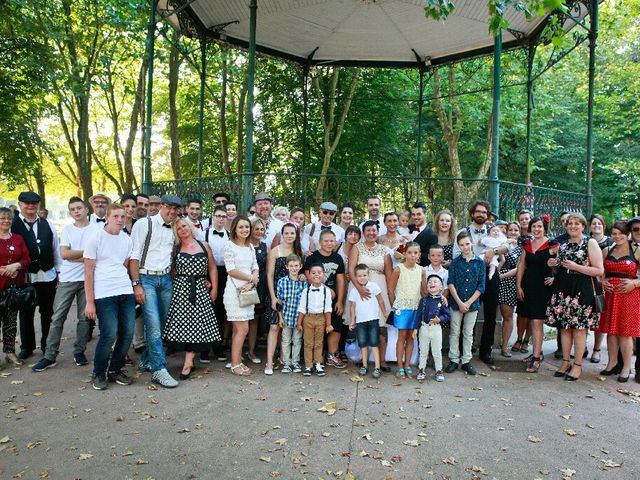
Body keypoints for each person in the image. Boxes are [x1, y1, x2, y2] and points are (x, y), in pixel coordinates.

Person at [32, 197, 94, 372]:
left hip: (87, 280)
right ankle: (49, 355)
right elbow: (65, 254)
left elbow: (97, 255)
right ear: (70, 213)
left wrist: (80, 256)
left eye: (79, 208)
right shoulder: (67, 230)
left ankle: (79, 351)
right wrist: (87, 255)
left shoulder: (96, 229)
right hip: (67, 279)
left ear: (86, 210)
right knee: (57, 317)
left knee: (84, 319)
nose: (77, 211)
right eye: (73, 209)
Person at [129, 194, 183, 388]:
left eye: (176, 209)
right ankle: (159, 369)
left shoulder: (175, 227)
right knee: (153, 325)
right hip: (146, 278)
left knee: (166, 323)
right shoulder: (144, 224)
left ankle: (146, 359)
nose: (172, 212)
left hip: (166, 279)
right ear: (161, 206)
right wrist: (137, 284)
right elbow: (134, 256)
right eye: (169, 207)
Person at [546, 213, 604, 381]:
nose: (572, 226)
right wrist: (554, 265)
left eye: (576, 224)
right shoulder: (563, 245)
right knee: (564, 328)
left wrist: (577, 267)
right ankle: (565, 362)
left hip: (582, 289)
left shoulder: (590, 243)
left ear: (583, 226)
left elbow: (599, 270)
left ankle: (577, 365)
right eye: (570, 223)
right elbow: (561, 267)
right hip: (563, 288)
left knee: (579, 330)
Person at [84, 203, 135, 391]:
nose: (120, 220)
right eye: (116, 216)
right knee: (109, 333)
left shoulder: (126, 239)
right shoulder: (95, 237)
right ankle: (99, 372)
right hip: (104, 294)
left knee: (127, 333)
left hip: (125, 291)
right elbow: (88, 272)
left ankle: (116, 368)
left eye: (123, 217)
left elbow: (125, 264)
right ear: (107, 217)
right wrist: (90, 302)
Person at [453, 200, 510, 365]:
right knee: (466, 310)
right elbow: (456, 255)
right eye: (478, 212)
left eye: (484, 212)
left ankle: (486, 350)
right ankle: (465, 348)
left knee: (491, 313)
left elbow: (509, 246)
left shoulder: (494, 232)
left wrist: (494, 251)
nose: (481, 215)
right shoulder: (463, 232)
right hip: (469, 274)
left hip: (490, 275)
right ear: (472, 214)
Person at [163, 218, 220, 381]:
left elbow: (212, 268)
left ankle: (188, 363)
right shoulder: (176, 248)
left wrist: (214, 288)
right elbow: (171, 271)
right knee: (184, 326)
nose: (182, 229)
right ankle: (189, 361)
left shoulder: (204, 245)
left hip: (201, 290)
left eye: (184, 226)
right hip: (181, 291)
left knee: (197, 326)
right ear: (176, 232)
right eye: (178, 228)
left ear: (190, 227)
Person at [11, 191, 62, 360]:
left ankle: (48, 344)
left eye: (34, 203)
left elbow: (55, 248)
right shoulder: (12, 225)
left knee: (48, 312)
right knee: (26, 313)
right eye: (27, 203)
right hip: (25, 276)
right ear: (20, 205)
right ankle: (27, 346)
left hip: (47, 275)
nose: (31, 206)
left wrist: (59, 271)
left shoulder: (48, 224)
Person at [597, 221, 640, 382]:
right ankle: (612, 363)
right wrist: (603, 281)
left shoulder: (636, 250)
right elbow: (600, 272)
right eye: (614, 233)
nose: (617, 236)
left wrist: (634, 283)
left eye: (621, 233)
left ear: (627, 234)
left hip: (629, 295)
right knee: (611, 331)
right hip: (610, 294)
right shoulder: (607, 250)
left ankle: (626, 368)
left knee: (625, 332)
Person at [349, 221, 393, 370]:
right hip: (360, 288)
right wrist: (359, 288)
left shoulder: (384, 250)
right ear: (363, 232)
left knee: (381, 326)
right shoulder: (357, 248)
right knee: (362, 323)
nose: (371, 233)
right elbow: (350, 270)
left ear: (377, 232)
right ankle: (364, 360)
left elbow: (389, 274)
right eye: (368, 230)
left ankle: (381, 361)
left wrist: (390, 294)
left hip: (379, 290)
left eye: (373, 230)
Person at [515, 216, 554, 373]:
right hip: (528, 286)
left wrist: (554, 276)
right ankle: (538, 352)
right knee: (531, 320)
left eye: (539, 226)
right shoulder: (527, 245)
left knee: (537, 322)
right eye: (534, 226)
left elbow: (560, 264)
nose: (537, 229)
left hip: (543, 288)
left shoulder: (552, 245)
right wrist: (518, 286)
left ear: (545, 228)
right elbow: (522, 265)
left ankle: (536, 359)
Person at [304, 230, 346, 369]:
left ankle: (332, 355)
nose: (329, 243)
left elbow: (340, 280)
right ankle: (315, 357)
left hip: (333, 300)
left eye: (332, 241)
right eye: (326, 241)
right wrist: (327, 291)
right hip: (315, 299)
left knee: (336, 324)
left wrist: (340, 300)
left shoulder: (337, 258)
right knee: (316, 327)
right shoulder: (312, 258)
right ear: (320, 242)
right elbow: (309, 277)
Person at [265, 223, 304, 374]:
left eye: (292, 233)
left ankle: (285, 358)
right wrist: (273, 297)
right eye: (286, 233)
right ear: (282, 234)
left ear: (296, 235)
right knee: (275, 326)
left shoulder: (299, 251)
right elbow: (269, 275)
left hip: (294, 294)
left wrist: (301, 275)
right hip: (278, 292)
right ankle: (269, 362)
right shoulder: (275, 251)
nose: (289, 236)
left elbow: (302, 271)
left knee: (288, 327)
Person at [446, 231, 486, 376]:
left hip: (472, 304)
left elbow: (481, 286)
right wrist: (459, 302)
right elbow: (451, 283)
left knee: (468, 332)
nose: (465, 247)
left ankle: (466, 361)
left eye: (467, 244)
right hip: (456, 303)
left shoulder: (480, 263)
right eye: (462, 245)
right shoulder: (455, 262)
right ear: (458, 246)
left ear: (472, 243)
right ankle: (454, 359)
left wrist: (468, 303)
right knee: (455, 331)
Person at [223, 216, 259, 376]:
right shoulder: (229, 246)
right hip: (234, 292)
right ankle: (235, 364)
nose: (245, 230)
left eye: (247, 227)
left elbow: (255, 267)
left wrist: (251, 283)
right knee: (242, 329)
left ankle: (237, 361)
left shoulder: (250, 247)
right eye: (241, 227)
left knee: (240, 329)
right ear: (235, 230)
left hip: (248, 291)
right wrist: (251, 278)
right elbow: (230, 270)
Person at [388, 242, 425, 379]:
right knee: (401, 337)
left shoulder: (422, 270)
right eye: (410, 252)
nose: (412, 255)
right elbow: (391, 290)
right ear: (405, 254)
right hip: (402, 308)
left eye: (415, 253)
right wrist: (395, 306)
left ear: (419, 255)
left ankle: (407, 364)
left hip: (415, 307)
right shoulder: (399, 269)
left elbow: (424, 290)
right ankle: (399, 366)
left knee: (411, 337)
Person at [0, 207, 31, 366]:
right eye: (2, 218)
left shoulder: (18, 238)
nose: (6, 221)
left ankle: (10, 352)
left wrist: (16, 266)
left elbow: (27, 259)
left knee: (11, 322)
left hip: (13, 288)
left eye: (9, 218)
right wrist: (3, 270)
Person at [348, 264, 388, 379]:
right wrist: (352, 321)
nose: (362, 278)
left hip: (373, 320)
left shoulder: (374, 286)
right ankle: (364, 365)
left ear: (368, 275)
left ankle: (377, 367)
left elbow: (380, 300)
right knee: (363, 344)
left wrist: (384, 312)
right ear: (355, 277)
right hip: (360, 322)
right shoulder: (354, 290)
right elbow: (352, 307)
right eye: (359, 276)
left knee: (374, 343)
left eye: (364, 275)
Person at [205, 206, 231, 363]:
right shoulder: (204, 233)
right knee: (207, 310)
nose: (221, 218)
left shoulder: (229, 235)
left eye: (223, 216)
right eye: (218, 216)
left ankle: (218, 346)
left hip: (226, 274)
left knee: (221, 311)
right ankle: (204, 349)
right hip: (207, 273)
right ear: (213, 217)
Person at [297, 263, 333, 376]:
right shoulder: (305, 291)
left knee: (318, 343)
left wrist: (328, 324)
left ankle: (318, 363)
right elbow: (302, 309)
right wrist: (299, 323)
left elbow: (328, 308)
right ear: (309, 276)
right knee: (308, 343)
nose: (316, 275)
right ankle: (308, 365)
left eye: (319, 273)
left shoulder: (326, 291)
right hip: (308, 318)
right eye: (313, 273)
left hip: (321, 318)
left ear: (323, 275)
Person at [413, 274, 451, 382]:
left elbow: (447, 315)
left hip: (436, 329)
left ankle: (439, 370)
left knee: (437, 351)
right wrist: (416, 328)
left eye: (435, 282)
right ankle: (421, 369)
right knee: (423, 350)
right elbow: (418, 315)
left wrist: (440, 319)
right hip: (424, 328)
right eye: (429, 282)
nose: (432, 284)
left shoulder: (442, 301)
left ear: (441, 287)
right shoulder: (424, 300)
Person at [589, 213, 614, 364]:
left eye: (599, 223)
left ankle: (597, 349)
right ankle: (582, 347)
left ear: (603, 226)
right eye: (594, 223)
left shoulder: (611, 243)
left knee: (600, 318)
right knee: (586, 316)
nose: (596, 226)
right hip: (586, 282)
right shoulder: (585, 240)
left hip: (602, 284)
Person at [277, 254, 306, 374]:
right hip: (287, 317)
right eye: (291, 266)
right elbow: (279, 302)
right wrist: (280, 318)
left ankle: (295, 362)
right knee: (285, 340)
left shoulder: (303, 283)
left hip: (299, 318)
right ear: (286, 267)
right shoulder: (282, 282)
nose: (294, 268)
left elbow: (305, 303)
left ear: (300, 266)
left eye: (296, 266)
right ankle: (286, 363)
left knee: (297, 340)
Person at [497, 222, 521, 357]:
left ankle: (504, 347)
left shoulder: (521, 249)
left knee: (507, 316)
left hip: (509, 283)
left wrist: (501, 277)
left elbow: (518, 268)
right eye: (510, 230)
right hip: (495, 281)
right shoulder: (500, 245)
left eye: (515, 230)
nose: (512, 232)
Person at [512, 210, 534, 354]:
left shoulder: (538, 237)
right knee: (522, 313)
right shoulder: (517, 239)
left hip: (535, 278)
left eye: (527, 219)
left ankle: (527, 340)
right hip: (521, 277)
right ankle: (519, 338)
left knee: (533, 314)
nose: (524, 221)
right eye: (522, 219)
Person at [248, 218, 268, 366]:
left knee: (255, 319)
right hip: (246, 281)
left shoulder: (265, 246)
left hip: (261, 283)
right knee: (242, 319)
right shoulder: (245, 245)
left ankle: (251, 351)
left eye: (262, 229)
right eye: (257, 229)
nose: (259, 232)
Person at [408, 202, 438, 267]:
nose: (415, 217)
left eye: (418, 214)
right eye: (413, 214)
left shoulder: (431, 235)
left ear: (425, 214)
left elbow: (430, 257)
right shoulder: (407, 228)